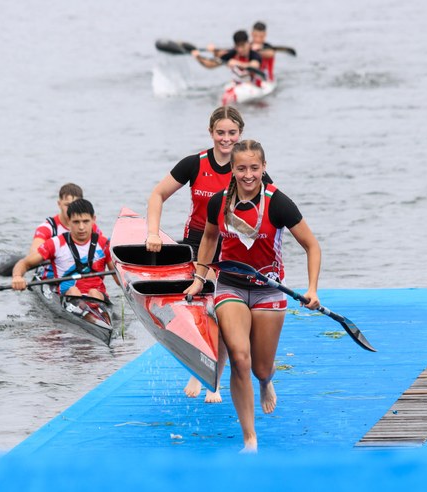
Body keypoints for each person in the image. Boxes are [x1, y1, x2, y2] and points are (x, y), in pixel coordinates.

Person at [184, 139, 322, 453]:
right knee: (239, 358)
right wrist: (199, 277)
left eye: (254, 168)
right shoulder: (218, 202)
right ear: (231, 170)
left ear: (264, 168)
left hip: (268, 290)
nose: (248, 175)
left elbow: (312, 246)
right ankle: (250, 438)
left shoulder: (278, 203)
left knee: (260, 367)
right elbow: (208, 238)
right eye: (241, 168)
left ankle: (265, 382)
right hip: (230, 286)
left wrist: (312, 288)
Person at [146, 106, 253, 404]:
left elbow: (271, 204)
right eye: (221, 132)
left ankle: (214, 378)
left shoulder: (247, 167)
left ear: (240, 134)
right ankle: (198, 367)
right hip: (197, 241)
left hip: (232, 245)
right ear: (211, 133)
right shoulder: (195, 164)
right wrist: (153, 233)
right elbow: (157, 195)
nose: (226, 138)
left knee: (219, 310)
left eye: (232, 133)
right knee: (197, 306)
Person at [12, 198, 116, 302]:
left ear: (93, 220)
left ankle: (94, 315)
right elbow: (24, 263)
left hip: (98, 296)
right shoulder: (55, 244)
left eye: (86, 221)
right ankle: (87, 314)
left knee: (94, 293)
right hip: (69, 295)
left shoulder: (104, 244)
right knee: (73, 291)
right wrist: (17, 277)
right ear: (69, 221)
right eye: (76, 222)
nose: (81, 227)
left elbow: (119, 280)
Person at [30, 183, 102, 256]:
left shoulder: (92, 227)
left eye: (75, 204)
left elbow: (104, 247)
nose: (71, 208)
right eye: (67, 205)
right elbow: (34, 254)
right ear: (59, 204)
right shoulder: (47, 228)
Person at [192, 30, 263, 85]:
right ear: (235, 45)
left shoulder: (254, 54)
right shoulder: (232, 53)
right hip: (238, 86)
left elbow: (255, 65)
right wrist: (198, 57)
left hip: (254, 85)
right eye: (238, 46)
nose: (240, 49)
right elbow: (211, 64)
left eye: (242, 46)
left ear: (248, 43)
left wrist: (237, 63)